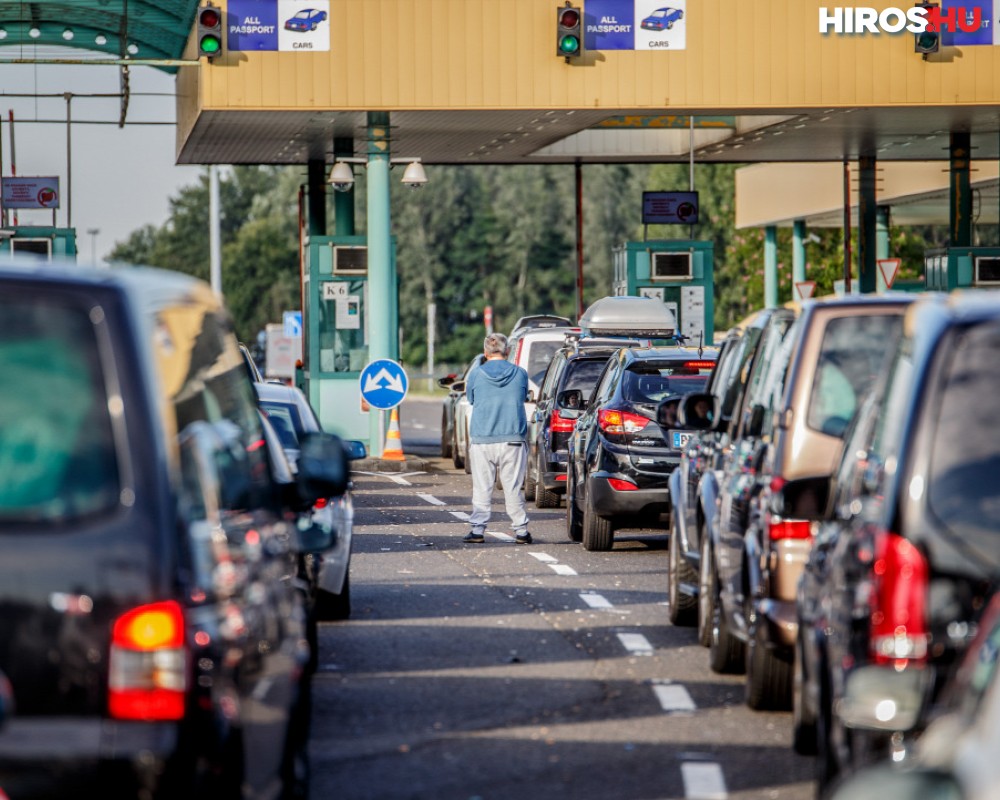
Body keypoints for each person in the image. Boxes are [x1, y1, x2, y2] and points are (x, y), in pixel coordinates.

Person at [463, 332, 532, 545]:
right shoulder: (520, 374)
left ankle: (477, 530)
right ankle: (520, 531)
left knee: (482, 486)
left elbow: (471, 399)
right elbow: (521, 397)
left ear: (485, 353)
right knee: (512, 486)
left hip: (483, 437)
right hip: (512, 437)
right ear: (507, 351)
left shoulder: (476, 374)